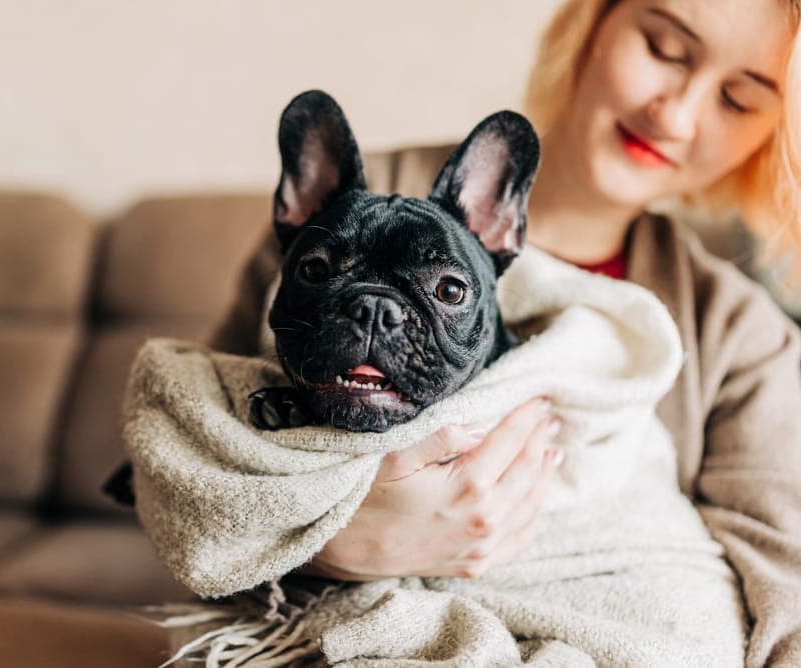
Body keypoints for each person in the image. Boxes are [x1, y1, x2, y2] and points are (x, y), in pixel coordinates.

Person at [208, 0, 801, 665]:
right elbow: (197, 462)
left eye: (738, 99)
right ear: (591, 24)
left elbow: (788, 587)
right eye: (664, 48)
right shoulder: (336, 217)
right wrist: (328, 545)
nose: (676, 111)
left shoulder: (744, 335)